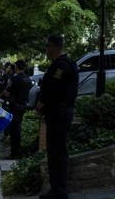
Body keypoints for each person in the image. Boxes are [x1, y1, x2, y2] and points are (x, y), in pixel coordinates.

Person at [36, 34, 79, 199]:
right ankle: (56, 189)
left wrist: (42, 103)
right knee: (55, 152)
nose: (46, 49)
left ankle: (59, 191)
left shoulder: (62, 65)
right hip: (58, 113)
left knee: (57, 152)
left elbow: (54, 89)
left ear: (54, 46)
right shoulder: (63, 64)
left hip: (58, 113)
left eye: (47, 46)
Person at [3, 59, 32, 158]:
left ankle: (14, 153)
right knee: (18, 129)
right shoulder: (28, 79)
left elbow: (7, 92)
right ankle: (17, 151)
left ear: (16, 67)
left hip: (14, 106)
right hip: (23, 105)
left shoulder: (15, 79)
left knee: (14, 130)